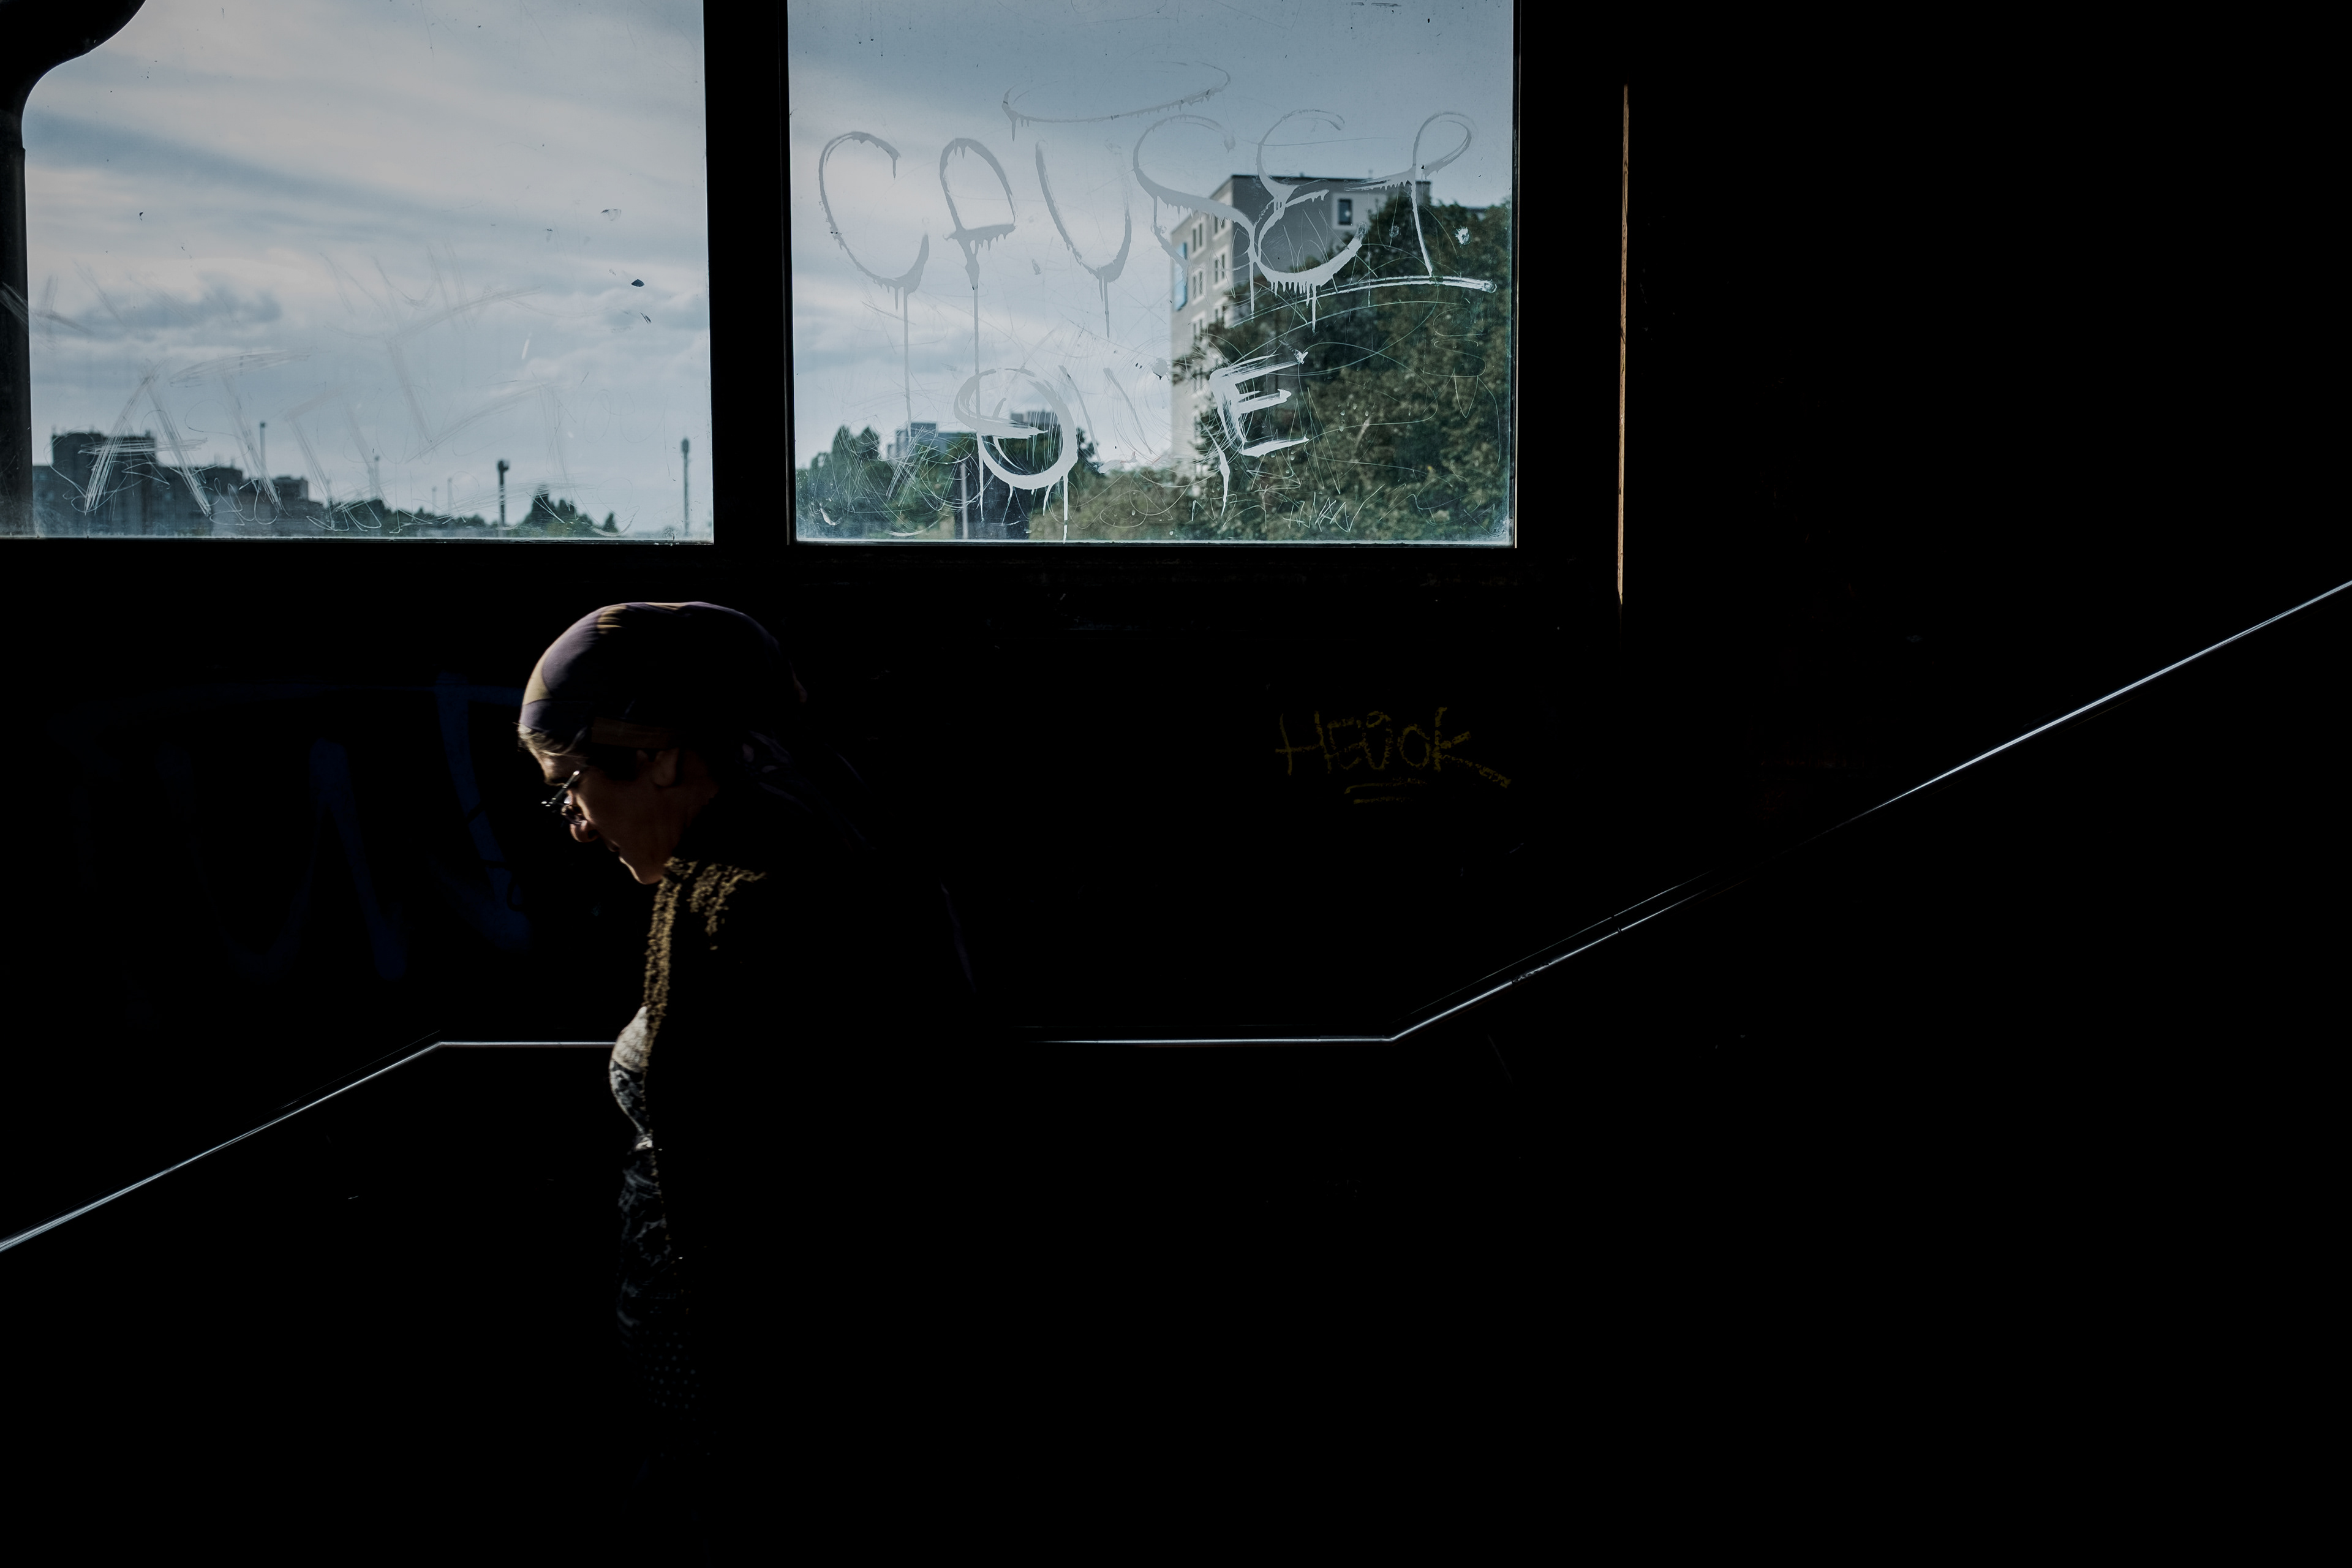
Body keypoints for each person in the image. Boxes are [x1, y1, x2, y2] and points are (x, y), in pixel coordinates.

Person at [518, 601, 971, 1551]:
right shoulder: (810, 852)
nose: (577, 826)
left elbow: (776, 1215)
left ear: (665, 756)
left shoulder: (748, 904)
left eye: (571, 784)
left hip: (748, 1423)